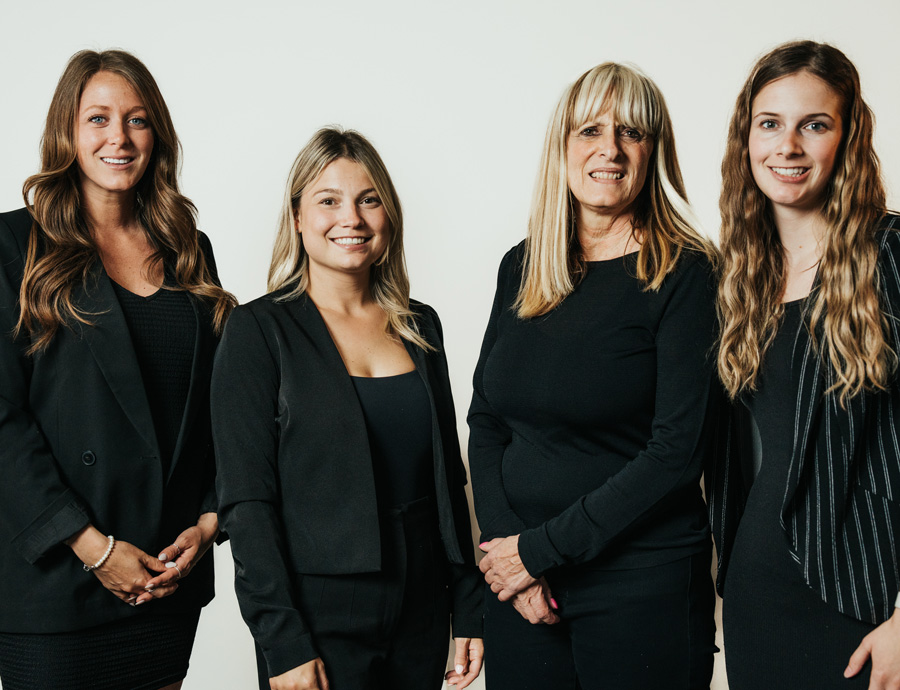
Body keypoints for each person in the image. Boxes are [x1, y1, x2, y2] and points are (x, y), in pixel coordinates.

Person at [468, 62, 718, 689]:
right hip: (521, 587)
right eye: (590, 131)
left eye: (631, 132)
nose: (609, 149)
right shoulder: (521, 266)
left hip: (641, 586)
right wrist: (508, 555)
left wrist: (539, 550)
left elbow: (677, 453)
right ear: (563, 146)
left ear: (653, 150)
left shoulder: (686, 273)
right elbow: (486, 418)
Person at [212, 127, 483, 690]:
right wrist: (281, 640)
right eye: (328, 200)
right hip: (318, 612)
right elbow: (247, 502)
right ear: (297, 218)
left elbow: (446, 481)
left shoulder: (419, 324)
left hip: (423, 607)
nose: (351, 218)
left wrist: (468, 605)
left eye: (368, 199)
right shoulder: (258, 331)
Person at [0, 49, 235, 690]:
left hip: (164, 575)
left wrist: (212, 518)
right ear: (66, 133)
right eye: (98, 118)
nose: (118, 138)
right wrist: (92, 548)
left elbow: (219, 404)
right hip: (58, 579)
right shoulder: (11, 246)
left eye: (136, 120)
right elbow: (3, 422)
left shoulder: (189, 247)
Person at [709, 39, 900, 690]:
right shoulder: (743, 277)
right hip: (756, 596)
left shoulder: (890, 255)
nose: (787, 146)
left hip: (866, 602)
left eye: (813, 124)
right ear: (748, 138)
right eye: (771, 123)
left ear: (847, 139)